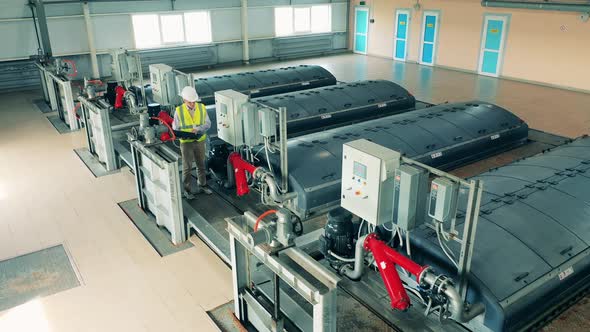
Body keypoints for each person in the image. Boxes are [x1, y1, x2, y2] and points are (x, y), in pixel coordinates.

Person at [173, 86, 212, 199]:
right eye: (190, 102)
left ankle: (202, 185)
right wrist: (186, 133)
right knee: (187, 167)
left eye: (194, 102)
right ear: (184, 100)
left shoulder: (201, 107)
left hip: (199, 140)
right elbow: (175, 129)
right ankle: (187, 190)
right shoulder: (179, 111)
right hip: (186, 143)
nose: (193, 104)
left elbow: (208, 124)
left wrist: (199, 129)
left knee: (201, 164)